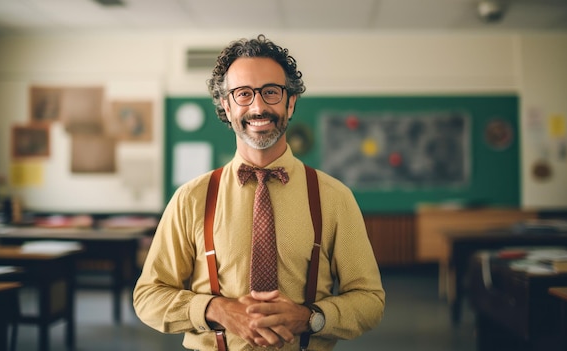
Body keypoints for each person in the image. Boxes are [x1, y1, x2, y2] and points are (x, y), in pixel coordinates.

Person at [134, 34, 385, 351]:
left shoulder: (334, 197)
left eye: (271, 92)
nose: (258, 107)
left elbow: (370, 300)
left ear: (290, 101)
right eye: (243, 94)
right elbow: (148, 296)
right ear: (226, 106)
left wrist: (311, 319)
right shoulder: (190, 198)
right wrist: (217, 310)